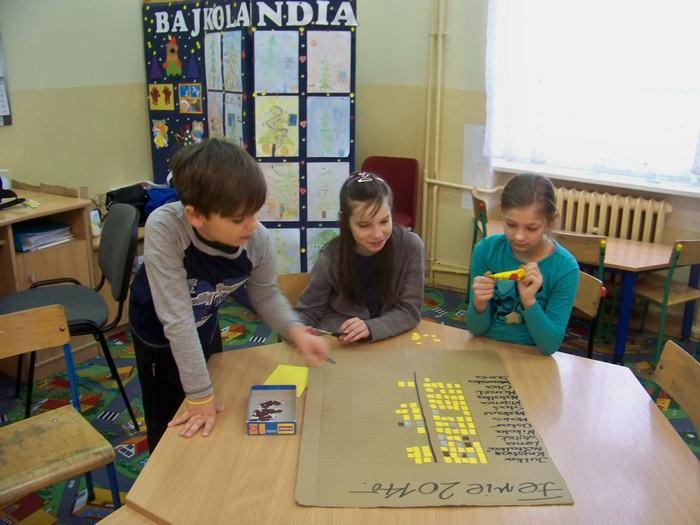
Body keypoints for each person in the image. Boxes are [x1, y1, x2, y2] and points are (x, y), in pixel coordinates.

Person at [129, 139, 328, 451]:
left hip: (205, 319)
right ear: (196, 216)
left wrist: (294, 329)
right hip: (158, 331)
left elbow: (265, 295)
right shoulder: (166, 228)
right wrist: (199, 396)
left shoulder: (255, 238)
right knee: (171, 416)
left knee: (213, 408)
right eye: (238, 219)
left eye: (254, 213)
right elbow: (177, 320)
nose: (252, 225)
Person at [295, 171, 424, 342]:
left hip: (391, 340)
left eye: (385, 221)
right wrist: (294, 329)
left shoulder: (411, 246)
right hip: (342, 342)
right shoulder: (331, 256)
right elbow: (309, 312)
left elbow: (409, 310)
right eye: (364, 225)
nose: (378, 234)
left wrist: (371, 327)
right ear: (345, 222)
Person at [466, 173, 579, 355]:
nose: (518, 236)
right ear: (502, 214)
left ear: (549, 221)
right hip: (484, 348)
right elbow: (475, 329)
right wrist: (479, 303)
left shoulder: (565, 268)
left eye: (531, 228)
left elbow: (549, 346)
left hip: (531, 355)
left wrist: (529, 302)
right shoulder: (486, 250)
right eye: (511, 224)